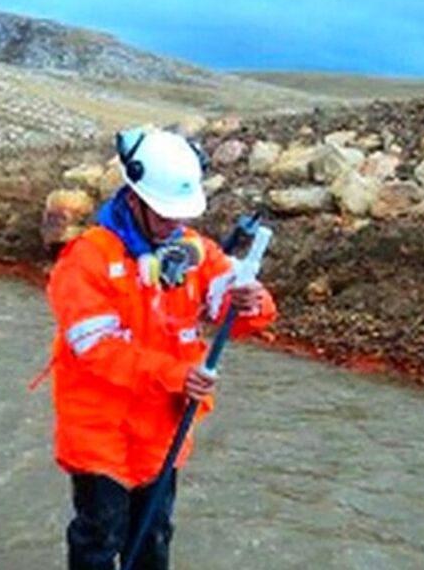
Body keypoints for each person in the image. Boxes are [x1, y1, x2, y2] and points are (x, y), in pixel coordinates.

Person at [45, 128, 277, 570]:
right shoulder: (85, 260)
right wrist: (175, 376)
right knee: (99, 538)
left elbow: (240, 305)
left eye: (181, 215)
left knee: (152, 540)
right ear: (134, 199)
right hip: (99, 430)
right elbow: (98, 350)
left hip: (160, 430)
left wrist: (250, 300)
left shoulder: (194, 251)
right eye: (165, 214)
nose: (175, 224)